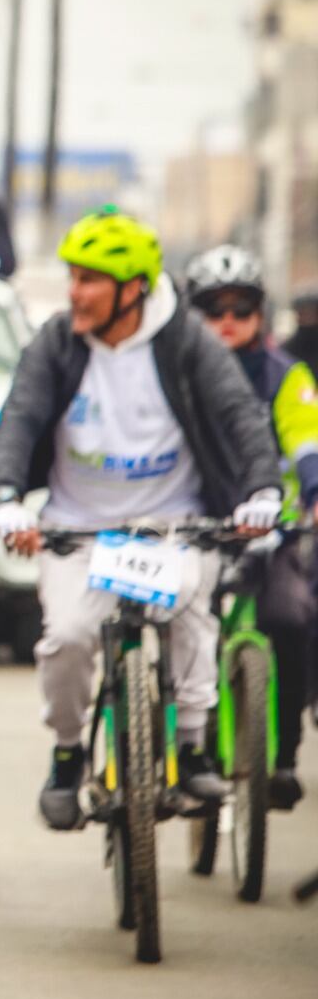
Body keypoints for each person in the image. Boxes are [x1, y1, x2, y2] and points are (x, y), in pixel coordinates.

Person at [0, 206, 280, 831]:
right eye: (73, 276)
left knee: (194, 617)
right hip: (77, 530)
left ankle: (194, 745)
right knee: (65, 638)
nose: (76, 292)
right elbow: (20, 419)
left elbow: (240, 416)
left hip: (175, 523)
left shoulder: (185, 340)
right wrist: (8, 495)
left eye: (90, 279)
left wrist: (260, 490)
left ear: (134, 288)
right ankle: (68, 755)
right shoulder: (58, 341)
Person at [184, 244, 318, 809]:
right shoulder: (177, 378)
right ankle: (181, 746)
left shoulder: (287, 376)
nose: (228, 323)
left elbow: (308, 442)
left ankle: (283, 756)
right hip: (194, 531)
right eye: (214, 311)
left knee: (290, 619)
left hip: (274, 534)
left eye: (242, 310)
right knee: (175, 626)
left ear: (262, 316)